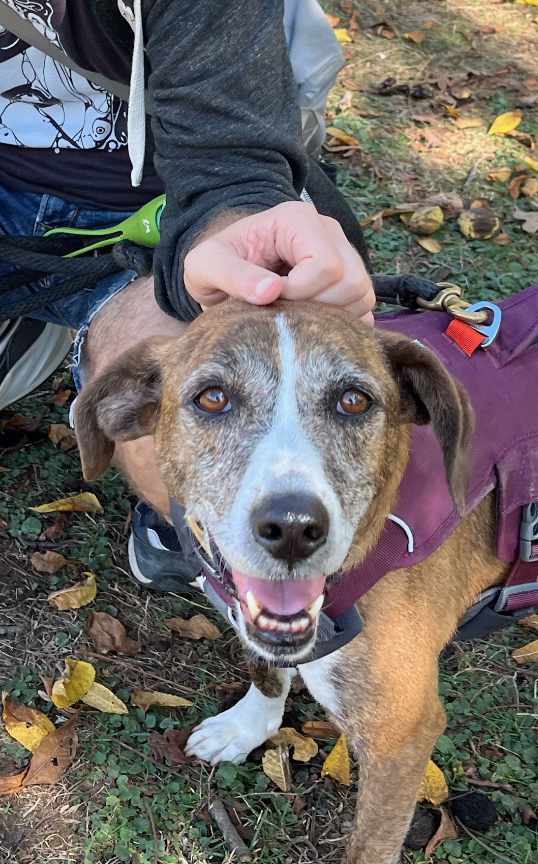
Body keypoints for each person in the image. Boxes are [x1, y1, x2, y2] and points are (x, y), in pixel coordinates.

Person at [0, 0, 375, 591]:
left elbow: (229, 155)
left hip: (158, 208)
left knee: (202, 389)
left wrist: (236, 229)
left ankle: (186, 522)